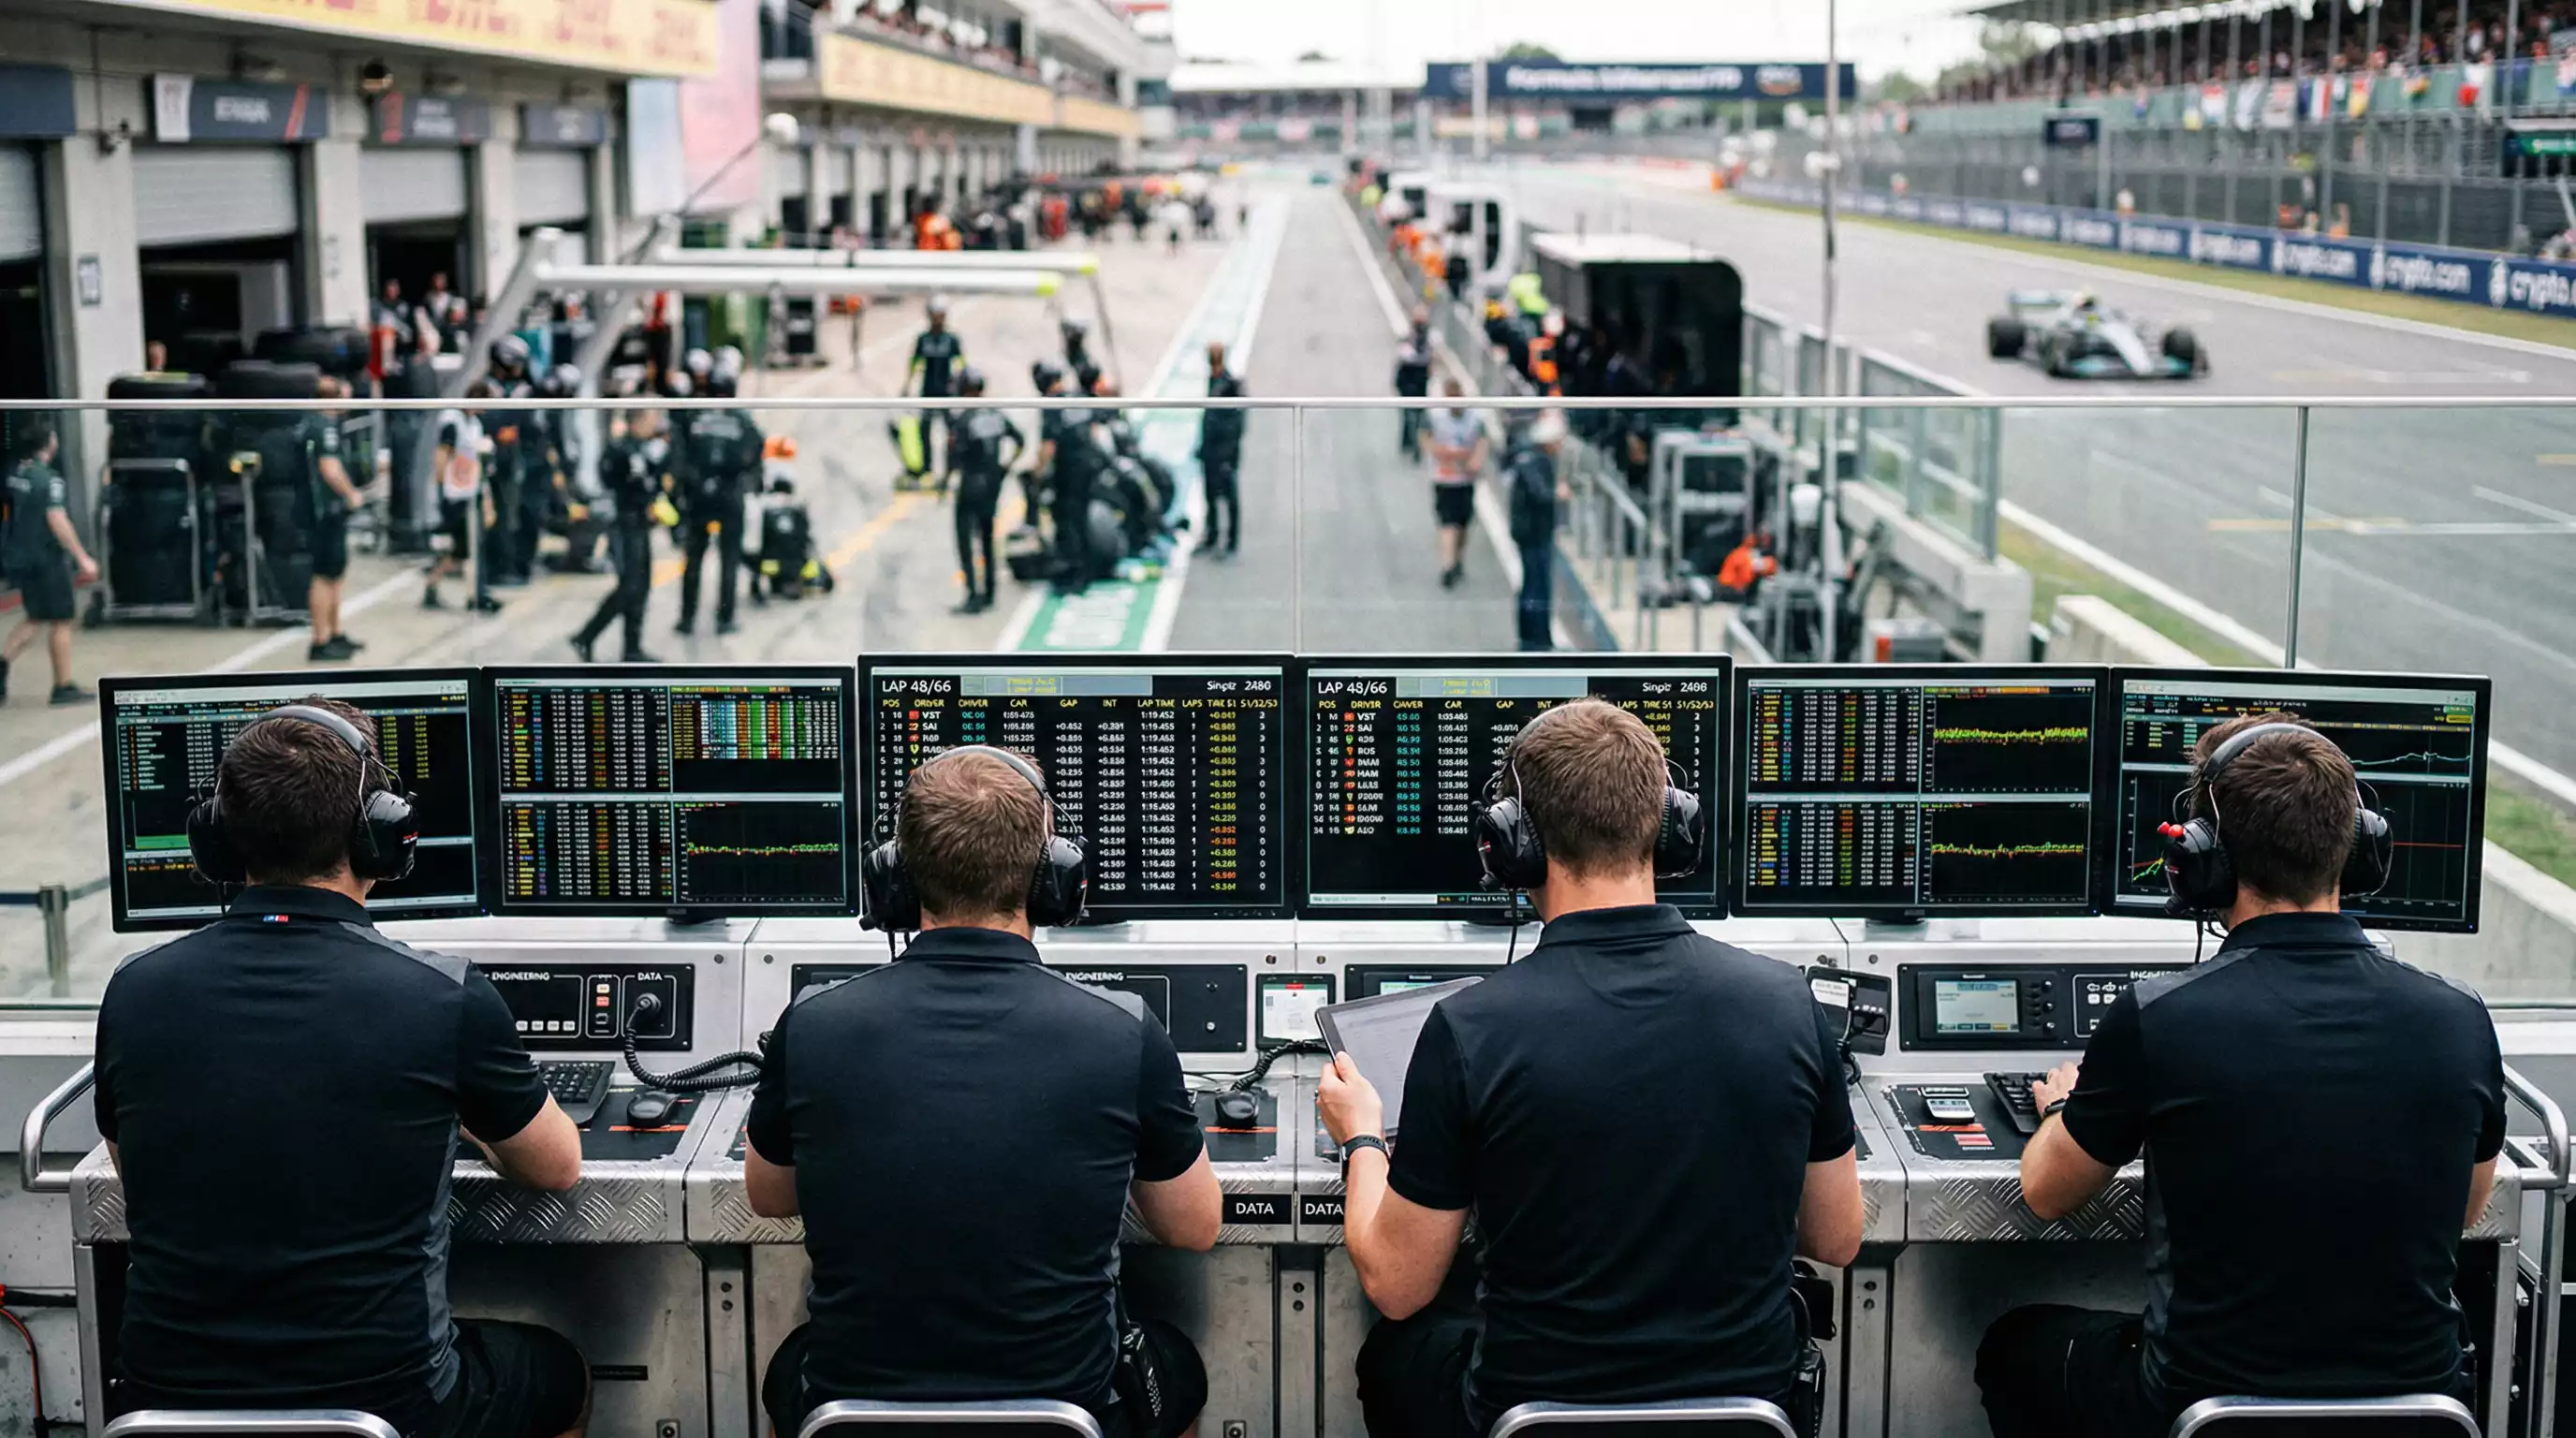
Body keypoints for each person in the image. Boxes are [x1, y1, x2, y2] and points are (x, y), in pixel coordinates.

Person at [1318, 699, 1865, 1438]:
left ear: (1511, 843)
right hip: (1745, 1417)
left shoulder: (1471, 1029)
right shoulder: (1787, 1004)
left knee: (1398, 1351)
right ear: (1670, 829)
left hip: (1533, 1419)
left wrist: (1361, 1141)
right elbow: (1836, 1238)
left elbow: (1398, 1283)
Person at [1977, 713, 2506, 1438]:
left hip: (2207, 1416)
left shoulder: (2161, 1018)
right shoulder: (2461, 1017)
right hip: (2417, 1416)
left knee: (2016, 1347)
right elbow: (2469, 1210)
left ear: (2202, 859)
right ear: (2357, 851)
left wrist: (2067, 1107)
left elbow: (2045, 1192)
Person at [93, 698, 589, 1437]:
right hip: (383, 1409)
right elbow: (556, 1169)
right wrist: (460, 1111)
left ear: (219, 843)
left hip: (161, 1406)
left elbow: (139, 1178)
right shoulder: (440, 997)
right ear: (382, 836)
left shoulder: (134, 992)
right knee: (559, 1372)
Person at [747, 746, 1220, 1438]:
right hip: (1065, 1416)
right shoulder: (1121, 1032)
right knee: (1178, 1366)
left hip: (855, 1415)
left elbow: (768, 1198)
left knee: (787, 1362)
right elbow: (1194, 1226)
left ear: (897, 879)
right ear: (1054, 877)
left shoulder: (812, 1022)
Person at [0, 417, 96, 705]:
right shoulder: (49, 479)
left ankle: (1, 663)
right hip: (46, 560)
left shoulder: (15, 473)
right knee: (61, 619)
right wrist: (83, 558)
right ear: (49, 442)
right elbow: (56, 518)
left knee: (36, 615)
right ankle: (63, 685)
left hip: (21, 557)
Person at [570, 407, 670, 663]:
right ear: (637, 420)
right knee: (629, 585)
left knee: (642, 585)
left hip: (641, 524)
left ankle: (632, 648)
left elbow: (652, 482)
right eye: (651, 418)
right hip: (622, 526)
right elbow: (613, 485)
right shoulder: (618, 449)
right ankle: (586, 636)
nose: (655, 423)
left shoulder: (647, 449)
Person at [673, 384, 764, 637]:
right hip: (729, 493)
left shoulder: (696, 414)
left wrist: (684, 486)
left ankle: (686, 618)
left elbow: (680, 453)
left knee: (693, 558)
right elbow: (757, 448)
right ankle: (725, 618)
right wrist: (749, 481)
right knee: (729, 558)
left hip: (699, 493)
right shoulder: (741, 418)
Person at [944, 367, 1021, 614]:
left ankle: (972, 595)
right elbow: (1020, 440)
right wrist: (1005, 466)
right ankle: (990, 591)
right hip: (992, 485)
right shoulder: (995, 415)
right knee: (987, 537)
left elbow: (953, 457)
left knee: (965, 540)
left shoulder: (964, 420)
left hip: (971, 486)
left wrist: (945, 481)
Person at [304, 377, 367, 662]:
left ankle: (335, 632)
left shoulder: (322, 425)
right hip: (324, 512)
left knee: (335, 574)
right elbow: (329, 469)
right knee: (324, 575)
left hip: (330, 512)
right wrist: (351, 493)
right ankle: (320, 640)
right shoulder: (322, 427)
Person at [422, 388, 501, 614]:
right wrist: (441, 488)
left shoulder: (475, 424)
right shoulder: (453, 421)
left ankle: (468, 591)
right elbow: (442, 454)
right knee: (466, 547)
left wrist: (486, 500)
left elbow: (478, 465)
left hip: (470, 490)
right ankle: (474, 594)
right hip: (454, 493)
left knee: (466, 548)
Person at [1502, 413, 1570, 652]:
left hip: (1532, 530)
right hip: (1533, 532)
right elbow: (1540, 493)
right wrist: (1557, 494)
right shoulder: (1534, 460)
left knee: (1536, 584)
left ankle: (1538, 637)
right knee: (1536, 585)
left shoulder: (1531, 457)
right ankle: (1534, 639)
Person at [1423, 382, 1486, 589]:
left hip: (1465, 478)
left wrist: (1476, 460)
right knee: (1447, 523)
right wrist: (1436, 452)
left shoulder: (1474, 416)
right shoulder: (1436, 415)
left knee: (1463, 523)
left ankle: (1457, 558)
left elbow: (1482, 440)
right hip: (1444, 477)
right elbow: (1425, 436)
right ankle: (1448, 565)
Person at [908, 296, 966, 478]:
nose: (937, 318)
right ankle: (927, 467)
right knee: (924, 431)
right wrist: (907, 384)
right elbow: (916, 362)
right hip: (928, 391)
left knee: (953, 431)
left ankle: (953, 465)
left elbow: (960, 364)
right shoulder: (923, 339)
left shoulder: (951, 339)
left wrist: (962, 385)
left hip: (947, 393)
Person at [1196, 340, 1245, 557]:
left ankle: (1232, 541)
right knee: (1210, 495)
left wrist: (1228, 453)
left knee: (1229, 497)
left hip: (1224, 453)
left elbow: (1237, 424)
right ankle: (1213, 534)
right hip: (1210, 451)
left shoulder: (1231, 386)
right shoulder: (1214, 381)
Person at [1394, 308, 1433, 462]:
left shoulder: (1429, 339)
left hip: (1420, 384)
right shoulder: (1407, 339)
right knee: (1410, 416)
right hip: (1407, 384)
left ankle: (1409, 442)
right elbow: (1407, 357)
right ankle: (1413, 445)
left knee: (1417, 416)